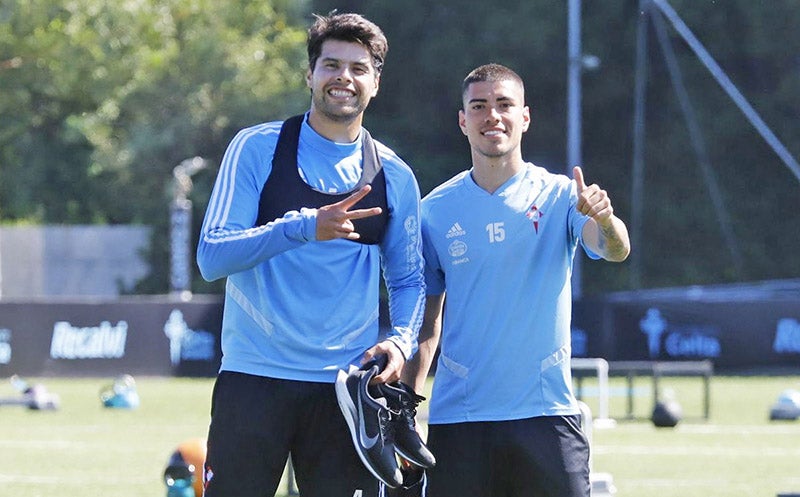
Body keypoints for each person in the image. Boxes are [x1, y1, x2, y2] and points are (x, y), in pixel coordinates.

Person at [196, 12, 425, 497]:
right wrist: (303, 228)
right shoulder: (256, 148)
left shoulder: (396, 176)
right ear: (310, 75)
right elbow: (212, 255)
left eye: (359, 68)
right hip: (254, 379)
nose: (344, 77)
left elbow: (408, 281)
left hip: (346, 392)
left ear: (376, 83)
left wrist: (402, 341)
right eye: (331, 65)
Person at [401, 63, 631, 497]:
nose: (493, 116)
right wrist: (407, 409)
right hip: (460, 419)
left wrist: (606, 217)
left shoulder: (562, 194)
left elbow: (615, 249)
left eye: (505, 105)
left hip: (547, 415)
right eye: (479, 106)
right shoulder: (434, 210)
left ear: (524, 117)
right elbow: (426, 325)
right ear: (462, 120)